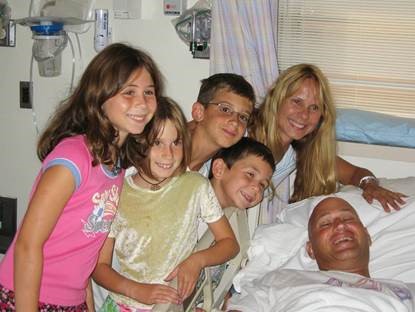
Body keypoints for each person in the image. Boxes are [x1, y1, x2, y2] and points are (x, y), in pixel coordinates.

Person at [0, 43, 163, 311]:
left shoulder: (116, 166)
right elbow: (28, 245)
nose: (142, 103)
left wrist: (85, 303)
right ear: (100, 96)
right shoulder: (73, 159)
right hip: (28, 295)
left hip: (70, 300)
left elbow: (84, 249)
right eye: (128, 92)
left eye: (149, 92)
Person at [92, 96, 240, 311]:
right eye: (157, 143)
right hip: (122, 303)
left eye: (176, 143)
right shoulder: (117, 193)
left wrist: (197, 261)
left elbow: (230, 243)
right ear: (138, 143)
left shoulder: (195, 186)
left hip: (172, 305)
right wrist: (137, 290)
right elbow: (99, 267)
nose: (168, 154)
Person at [249, 63, 406, 222]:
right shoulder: (246, 134)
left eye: (314, 107)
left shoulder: (300, 150)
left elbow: (354, 173)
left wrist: (370, 185)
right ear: (276, 97)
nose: (304, 115)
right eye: (297, 101)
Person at [227, 197, 414, 311]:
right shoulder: (279, 278)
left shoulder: (406, 291)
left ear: (367, 236)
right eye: (325, 224)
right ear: (311, 250)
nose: (340, 225)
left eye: (348, 218)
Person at [189, 73, 256, 175]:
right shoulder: (165, 151)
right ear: (198, 112)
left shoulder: (209, 174)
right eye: (225, 109)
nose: (235, 122)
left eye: (243, 117)